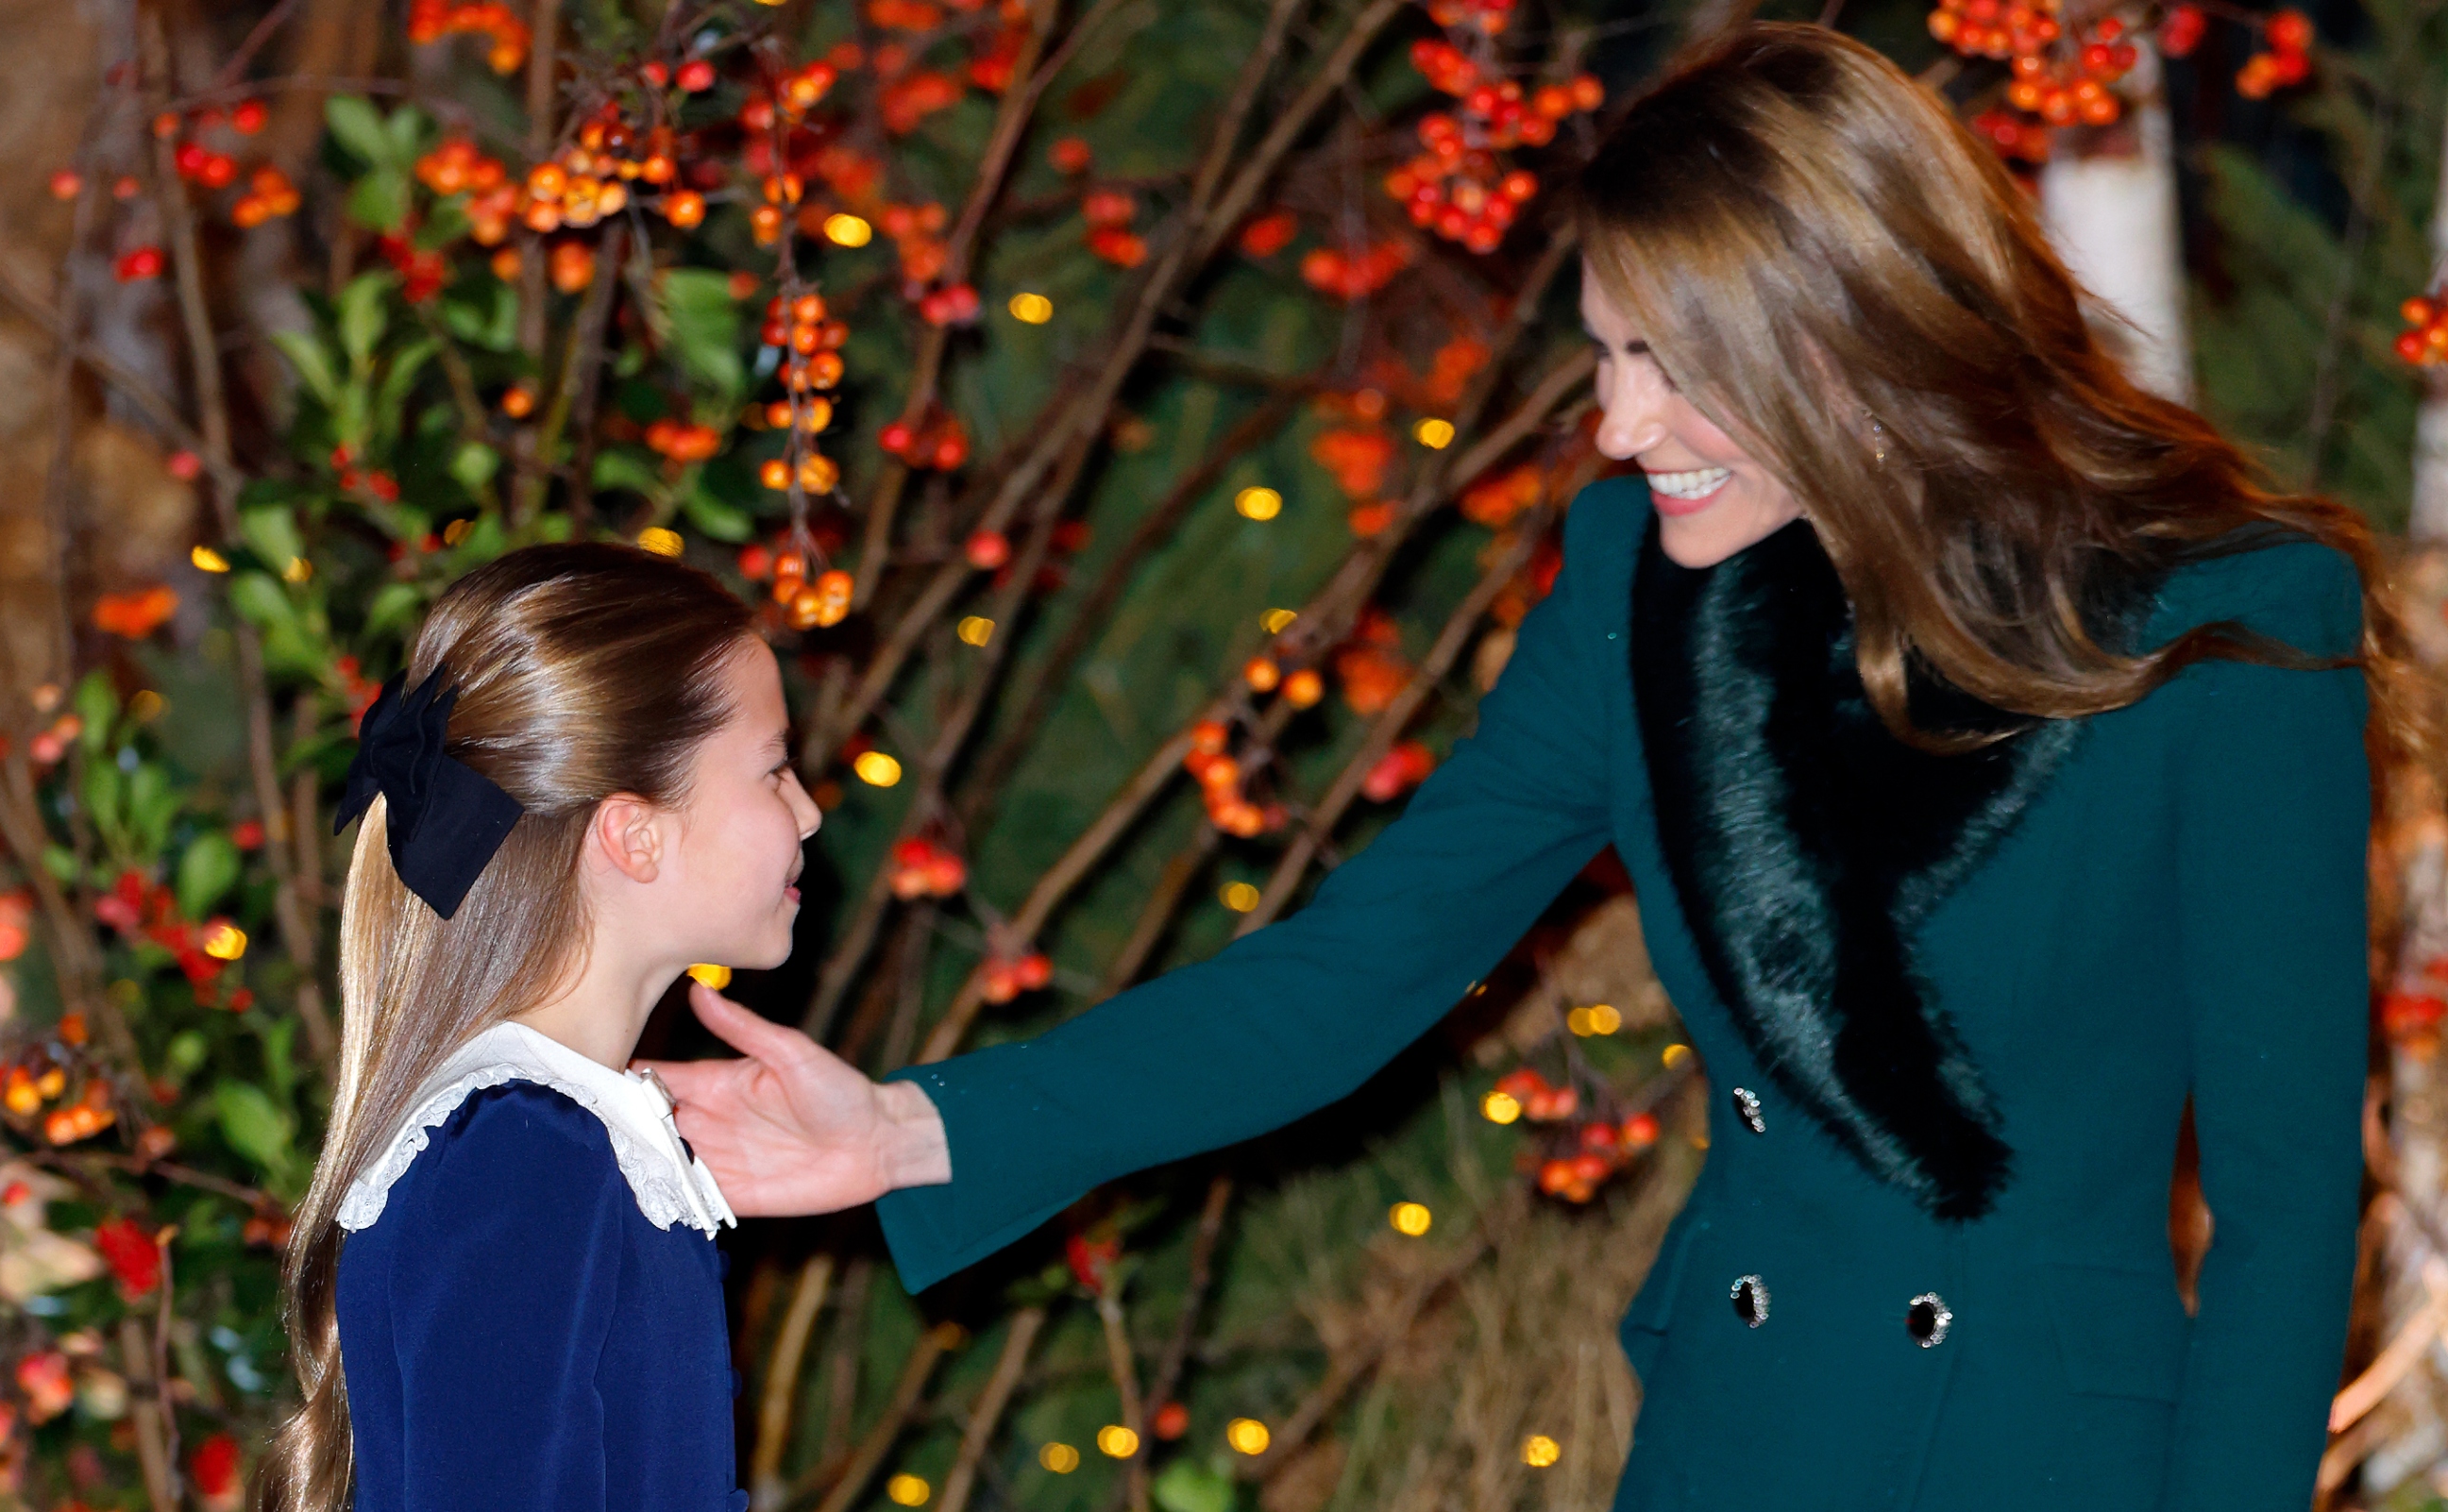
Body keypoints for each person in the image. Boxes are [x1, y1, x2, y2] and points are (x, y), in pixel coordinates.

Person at [649, 24, 2410, 1512]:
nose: (1618, 425)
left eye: (1672, 369)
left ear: (1855, 335)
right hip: (1738, 1429)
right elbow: (1353, 969)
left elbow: (2280, 1206)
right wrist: (906, 1127)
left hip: (2040, 1459)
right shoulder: (1635, 595)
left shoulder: (2228, 622)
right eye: (1605, 355)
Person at [253, 545, 821, 1512]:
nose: (807, 814)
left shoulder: (550, 1141)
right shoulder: (523, 1156)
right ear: (635, 834)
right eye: (773, 772)